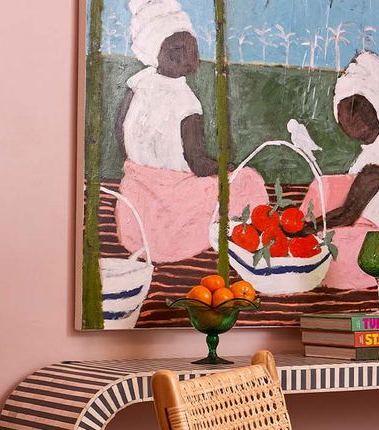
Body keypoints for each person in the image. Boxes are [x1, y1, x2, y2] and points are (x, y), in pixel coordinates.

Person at [114, 0, 268, 264]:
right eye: (176, 49)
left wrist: (144, 167)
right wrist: (227, 167)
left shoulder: (136, 87)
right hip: (171, 215)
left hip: (135, 209)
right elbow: (196, 162)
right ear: (156, 52)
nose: (186, 53)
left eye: (189, 46)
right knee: (248, 180)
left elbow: (120, 133)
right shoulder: (185, 101)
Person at [300, 51, 379, 290]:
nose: (350, 115)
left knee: (324, 248)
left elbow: (349, 213)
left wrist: (302, 230)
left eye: (357, 105)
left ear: (375, 108)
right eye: (344, 108)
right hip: (369, 238)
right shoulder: (371, 152)